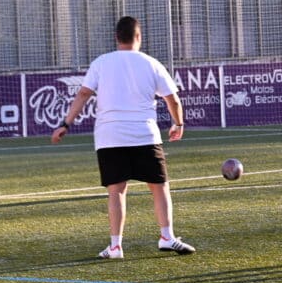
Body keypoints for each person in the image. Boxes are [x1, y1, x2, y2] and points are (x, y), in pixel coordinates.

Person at [51, 16, 195, 259]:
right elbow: (173, 99)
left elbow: (83, 94)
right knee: (159, 187)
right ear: (139, 37)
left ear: (116, 37)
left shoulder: (101, 62)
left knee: (116, 190)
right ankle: (167, 237)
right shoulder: (151, 63)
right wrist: (178, 124)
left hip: (110, 136)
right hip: (144, 134)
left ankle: (116, 246)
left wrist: (66, 124)